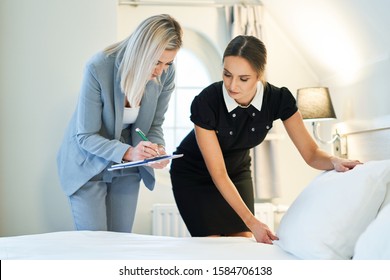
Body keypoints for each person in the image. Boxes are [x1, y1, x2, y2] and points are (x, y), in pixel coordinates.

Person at [170, 35, 361, 244]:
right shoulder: (207, 101)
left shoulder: (278, 99)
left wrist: (334, 161)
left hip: (237, 171)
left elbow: (311, 154)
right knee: (213, 243)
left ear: (259, 75)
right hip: (193, 173)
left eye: (243, 78)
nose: (232, 85)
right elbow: (218, 173)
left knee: (242, 242)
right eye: (227, 74)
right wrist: (254, 222)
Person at [57, 14, 183, 232]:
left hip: (128, 168)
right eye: (156, 62)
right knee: (95, 246)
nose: (161, 70)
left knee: (121, 242)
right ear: (141, 53)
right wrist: (130, 152)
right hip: (89, 163)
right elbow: (85, 136)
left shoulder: (166, 74)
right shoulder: (99, 67)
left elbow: (153, 126)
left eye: (167, 63)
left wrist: (155, 151)